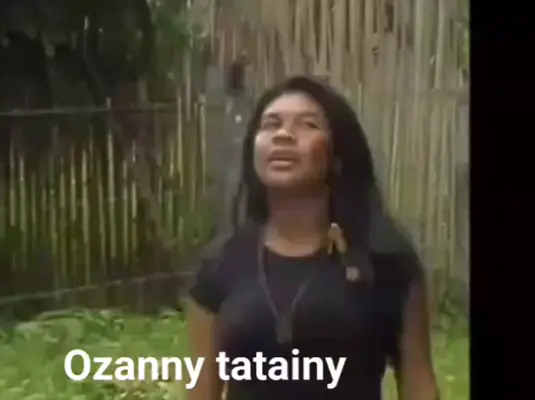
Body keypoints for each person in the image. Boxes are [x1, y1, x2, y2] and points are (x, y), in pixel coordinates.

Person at [185, 76, 438, 399]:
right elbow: (201, 392)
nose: (283, 134)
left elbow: (419, 385)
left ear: (337, 155)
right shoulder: (221, 263)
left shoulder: (385, 262)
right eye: (271, 124)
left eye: (307, 125)